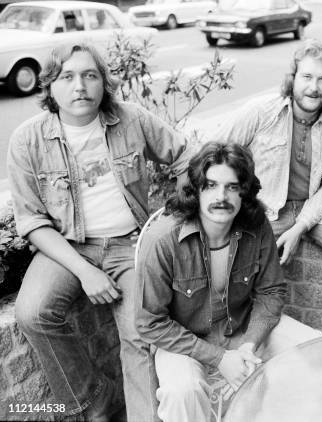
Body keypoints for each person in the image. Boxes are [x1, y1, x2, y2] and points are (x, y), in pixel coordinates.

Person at [7, 42, 194, 421]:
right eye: (67, 76)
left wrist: (179, 215)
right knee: (32, 313)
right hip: (67, 246)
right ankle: (96, 403)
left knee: (140, 335)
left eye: (90, 75)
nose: (80, 86)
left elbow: (185, 155)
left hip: (131, 243)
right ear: (50, 87)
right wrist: (84, 270)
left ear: (102, 84)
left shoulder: (130, 119)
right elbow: (31, 221)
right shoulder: (27, 140)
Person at [135, 142, 322, 422]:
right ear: (195, 190)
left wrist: (249, 345)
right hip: (185, 340)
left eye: (232, 187)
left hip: (243, 326)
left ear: (244, 192)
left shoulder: (256, 227)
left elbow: (271, 291)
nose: (221, 196)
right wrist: (220, 358)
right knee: (182, 392)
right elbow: (150, 323)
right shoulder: (162, 241)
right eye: (210, 185)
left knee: (317, 351)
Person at [211, 39, 322, 332]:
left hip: (317, 207)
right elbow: (213, 154)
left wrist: (300, 226)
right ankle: (232, 342)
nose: (314, 87)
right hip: (266, 209)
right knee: (232, 269)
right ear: (293, 78)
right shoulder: (261, 112)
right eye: (307, 77)